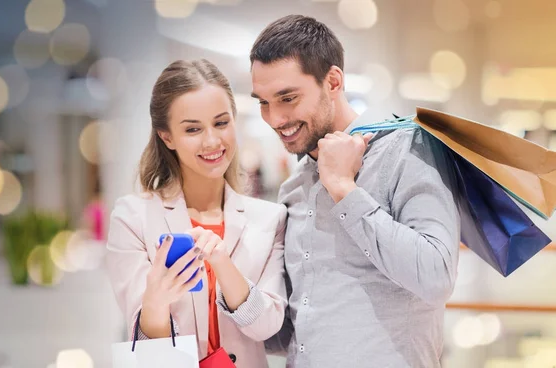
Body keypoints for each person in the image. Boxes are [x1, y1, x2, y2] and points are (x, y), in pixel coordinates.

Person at [250, 15, 461, 367]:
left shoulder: (407, 150)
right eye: (263, 102)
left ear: (333, 81)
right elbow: (292, 333)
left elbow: (436, 277)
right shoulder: (293, 189)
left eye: (287, 98)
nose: (274, 118)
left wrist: (345, 191)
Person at [106, 59, 288, 367]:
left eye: (221, 123)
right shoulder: (133, 217)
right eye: (192, 129)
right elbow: (148, 353)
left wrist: (222, 264)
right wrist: (156, 299)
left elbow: (267, 327)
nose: (212, 141)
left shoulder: (269, 219)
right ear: (167, 137)